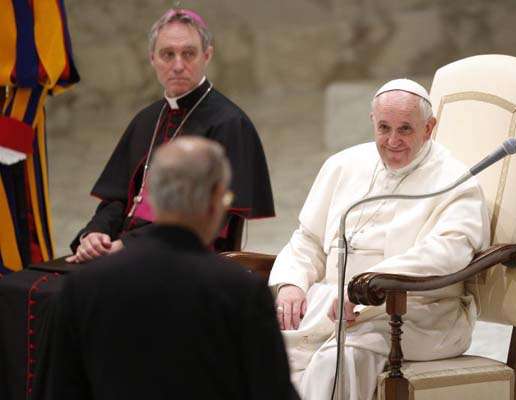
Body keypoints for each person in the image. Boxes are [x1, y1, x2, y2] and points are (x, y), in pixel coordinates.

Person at [268, 79, 491, 400]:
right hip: (332, 307)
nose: (392, 140)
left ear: (429, 128)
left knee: (337, 360)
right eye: (384, 128)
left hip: (416, 315)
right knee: (259, 344)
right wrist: (292, 283)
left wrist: (366, 287)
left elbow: (447, 252)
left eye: (405, 129)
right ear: (373, 121)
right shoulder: (343, 165)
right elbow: (308, 239)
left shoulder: (454, 181)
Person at [50, 137, 298, 400]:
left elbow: (64, 389)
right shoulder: (241, 290)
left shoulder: (84, 285)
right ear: (216, 201)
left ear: (153, 199)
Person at [67, 8, 274, 263]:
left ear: (207, 56)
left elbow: (210, 220)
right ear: (152, 58)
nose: (178, 65)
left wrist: (128, 245)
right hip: (122, 253)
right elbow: (117, 198)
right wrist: (95, 234)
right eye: (167, 54)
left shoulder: (230, 123)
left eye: (188, 54)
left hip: (184, 260)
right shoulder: (147, 119)